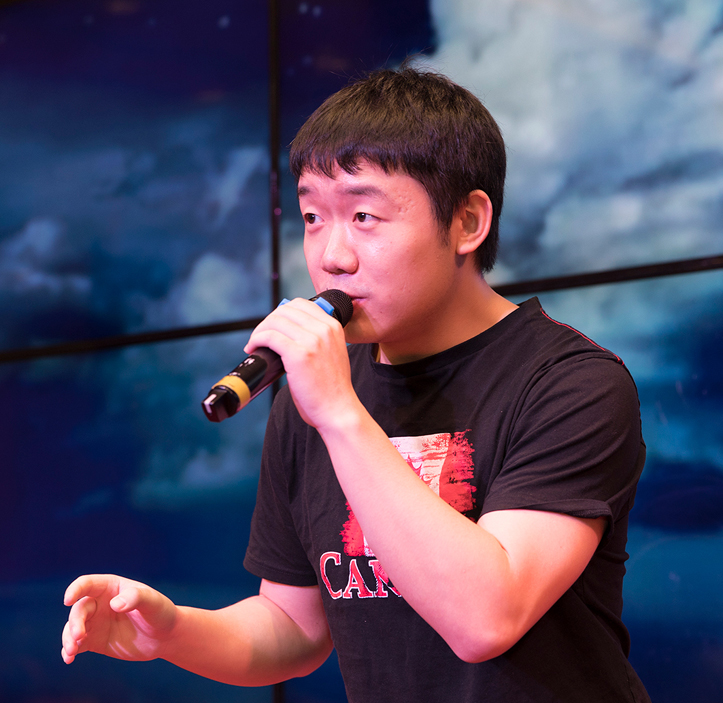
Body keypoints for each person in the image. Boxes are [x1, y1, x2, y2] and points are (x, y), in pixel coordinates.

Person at [62, 66, 650, 702]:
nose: (331, 257)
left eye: (364, 215)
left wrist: (339, 413)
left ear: (466, 222)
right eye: (313, 217)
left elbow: (487, 619)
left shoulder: (572, 384)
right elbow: (293, 626)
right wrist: (172, 631)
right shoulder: (315, 395)